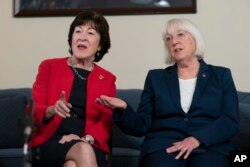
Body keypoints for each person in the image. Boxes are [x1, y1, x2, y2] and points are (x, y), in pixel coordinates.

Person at [96, 18, 239, 167]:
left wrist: (197, 139)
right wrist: (124, 109)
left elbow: (230, 119)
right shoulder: (156, 78)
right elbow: (142, 125)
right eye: (168, 38)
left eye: (180, 34)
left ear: (195, 39)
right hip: (164, 147)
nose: (174, 41)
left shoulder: (221, 75)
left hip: (210, 146)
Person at [30, 10, 116, 167]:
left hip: (88, 141)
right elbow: (33, 111)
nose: (82, 37)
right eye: (78, 31)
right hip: (51, 141)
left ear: (100, 45)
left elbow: (106, 121)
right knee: (83, 151)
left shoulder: (108, 79)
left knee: (72, 164)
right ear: (71, 39)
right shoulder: (49, 67)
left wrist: (85, 139)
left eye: (90, 33)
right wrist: (51, 109)